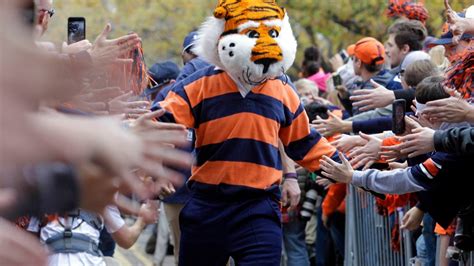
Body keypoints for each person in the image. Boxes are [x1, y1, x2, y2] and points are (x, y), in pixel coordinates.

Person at [157, 1, 341, 265]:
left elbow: (305, 143)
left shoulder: (282, 91)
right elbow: (161, 121)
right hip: (208, 206)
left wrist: (352, 170)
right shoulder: (198, 86)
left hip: (259, 207)